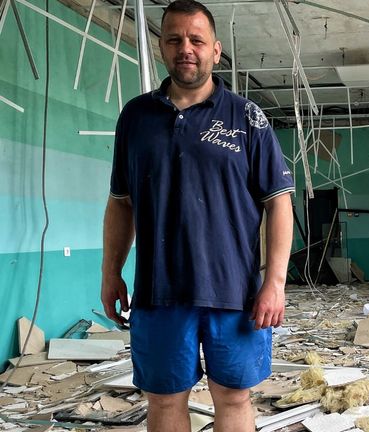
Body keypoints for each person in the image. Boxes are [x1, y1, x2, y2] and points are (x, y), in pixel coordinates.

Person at [101, 1, 294, 430]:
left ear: (215, 50)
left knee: (233, 397)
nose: (185, 48)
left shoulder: (248, 118)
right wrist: (110, 272)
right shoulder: (135, 117)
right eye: (174, 39)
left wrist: (275, 283)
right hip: (158, 291)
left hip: (235, 293)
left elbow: (279, 201)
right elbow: (120, 201)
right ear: (161, 48)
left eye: (196, 39)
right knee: (165, 402)